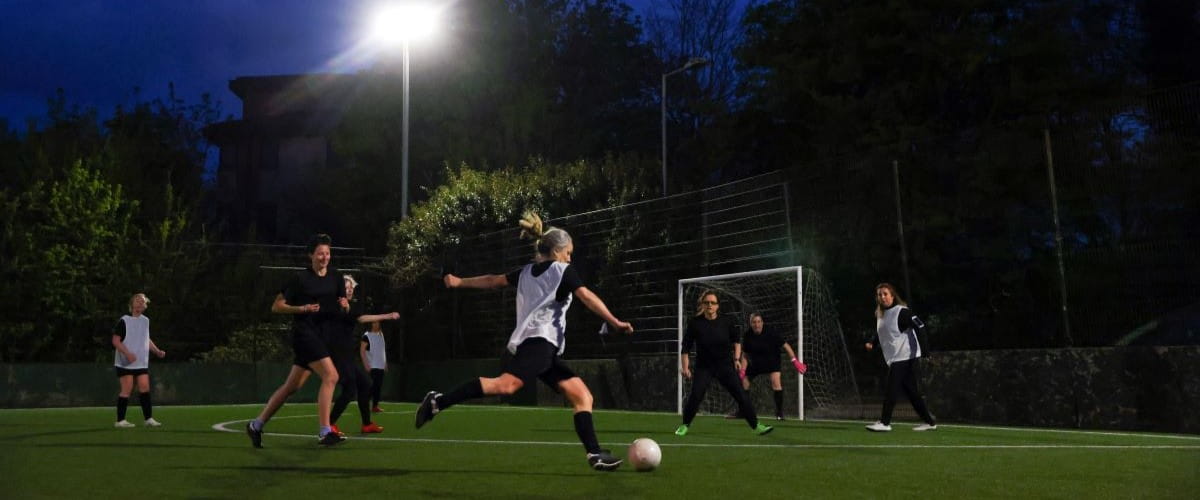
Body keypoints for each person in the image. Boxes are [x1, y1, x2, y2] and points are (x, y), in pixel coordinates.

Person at [415, 212, 634, 471]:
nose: (570, 258)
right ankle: (438, 402)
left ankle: (595, 454)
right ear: (557, 251)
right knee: (505, 386)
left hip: (545, 349)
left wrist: (460, 281)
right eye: (568, 253)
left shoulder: (526, 272)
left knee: (582, 396)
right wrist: (614, 321)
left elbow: (493, 280)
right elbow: (586, 297)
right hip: (538, 343)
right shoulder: (562, 271)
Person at [245, 233, 349, 447]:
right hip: (304, 335)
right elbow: (276, 306)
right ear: (311, 255)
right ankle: (325, 431)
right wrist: (302, 309)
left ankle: (256, 425)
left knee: (291, 387)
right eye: (320, 253)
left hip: (322, 337)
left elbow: (343, 305)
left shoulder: (336, 278)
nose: (325, 257)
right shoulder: (300, 279)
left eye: (327, 253)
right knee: (331, 376)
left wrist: (345, 306)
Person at [677, 291, 774, 437]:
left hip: (725, 366)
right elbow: (685, 348)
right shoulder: (695, 323)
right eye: (706, 302)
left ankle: (756, 426)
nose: (709, 305)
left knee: (741, 395)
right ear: (702, 305)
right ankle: (684, 425)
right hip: (704, 367)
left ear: (717, 306)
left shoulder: (727, 321)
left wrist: (736, 359)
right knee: (695, 396)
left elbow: (736, 342)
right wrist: (685, 367)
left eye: (713, 303)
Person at [328, 274, 398, 435]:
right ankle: (329, 425)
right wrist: (387, 316)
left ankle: (367, 424)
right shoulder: (332, 306)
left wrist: (347, 308)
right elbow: (361, 318)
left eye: (351, 288)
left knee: (365, 384)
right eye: (346, 287)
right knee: (349, 390)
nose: (349, 290)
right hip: (337, 355)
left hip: (347, 356)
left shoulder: (350, 307)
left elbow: (359, 316)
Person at [864, 283, 937, 432]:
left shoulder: (902, 312)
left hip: (905, 357)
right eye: (879, 295)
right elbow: (882, 331)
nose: (882, 297)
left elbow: (920, 327)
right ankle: (930, 422)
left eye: (885, 294)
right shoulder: (881, 314)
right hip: (895, 358)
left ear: (892, 296)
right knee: (912, 393)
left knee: (891, 389)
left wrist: (926, 352)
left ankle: (885, 423)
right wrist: (872, 342)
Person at [734, 312, 806, 420]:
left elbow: (786, 346)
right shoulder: (747, 335)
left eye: (759, 322)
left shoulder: (772, 332)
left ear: (762, 322)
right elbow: (745, 354)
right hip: (756, 362)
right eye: (754, 322)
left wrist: (795, 361)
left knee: (776, 382)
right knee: (744, 382)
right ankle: (743, 411)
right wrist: (743, 370)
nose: (757, 325)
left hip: (772, 361)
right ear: (750, 323)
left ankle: (779, 414)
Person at [112, 293, 166, 428]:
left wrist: (157, 351)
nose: (140, 302)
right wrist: (127, 354)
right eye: (137, 300)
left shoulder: (145, 321)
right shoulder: (124, 320)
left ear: (145, 306)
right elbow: (115, 341)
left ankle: (148, 419)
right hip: (125, 362)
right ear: (132, 304)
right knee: (127, 389)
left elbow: (146, 339)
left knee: (145, 388)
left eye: (142, 301)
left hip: (141, 362)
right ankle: (120, 421)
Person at [361, 320, 387, 413]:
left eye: (377, 322)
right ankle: (364, 402)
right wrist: (365, 364)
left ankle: (375, 406)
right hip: (373, 365)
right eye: (374, 322)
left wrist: (385, 363)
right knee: (373, 386)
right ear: (371, 324)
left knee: (378, 387)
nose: (376, 324)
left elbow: (382, 350)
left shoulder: (381, 334)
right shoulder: (366, 336)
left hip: (380, 365)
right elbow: (362, 351)